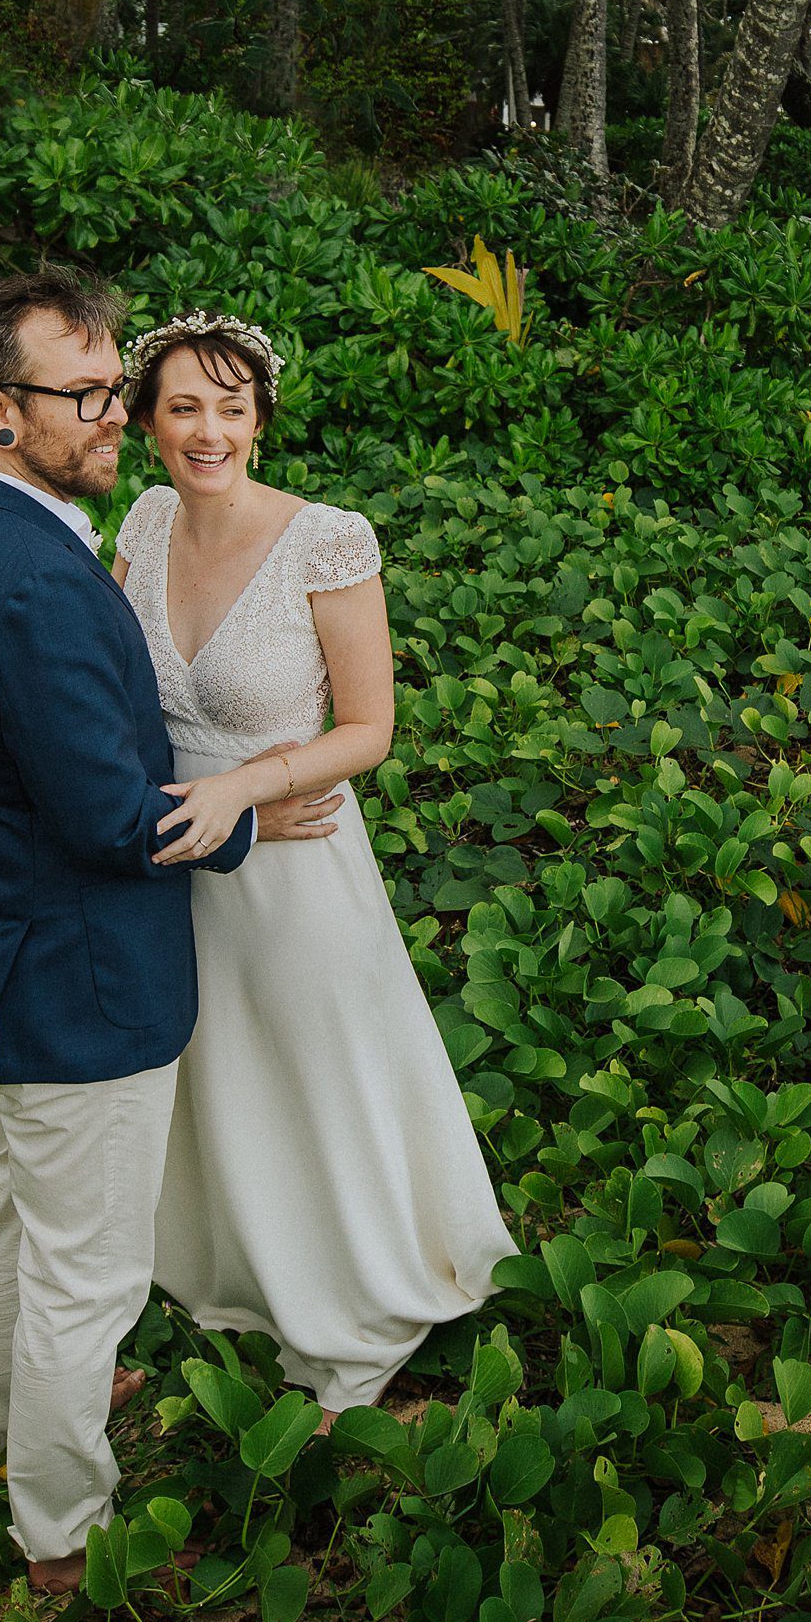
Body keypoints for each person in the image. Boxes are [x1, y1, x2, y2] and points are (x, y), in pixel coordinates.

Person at [0, 268, 337, 1595]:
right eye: (82, 395)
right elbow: (105, 820)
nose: (112, 414)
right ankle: (61, 1534)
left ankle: (9, 1417)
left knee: (15, 1210)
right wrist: (256, 819)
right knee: (88, 1267)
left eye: (107, 388)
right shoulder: (32, 581)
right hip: (73, 976)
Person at [107, 309, 519, 1429]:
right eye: (184, 406)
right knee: (211, 1069)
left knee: (314, 1068)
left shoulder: (325, 538)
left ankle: (358, 1298)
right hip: (172, 852)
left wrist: (251, 787)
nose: (208, 432)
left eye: (230, 410)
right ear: (147, 420)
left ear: (258, 421)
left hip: (291, 854)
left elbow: (370, 727)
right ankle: (236, 1263)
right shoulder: (142, 522)